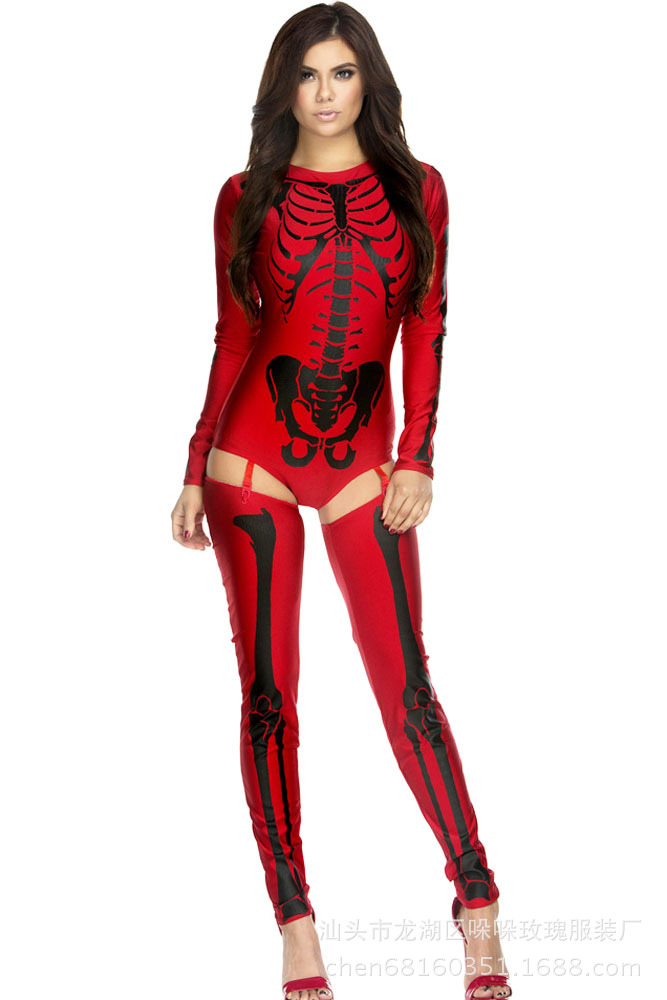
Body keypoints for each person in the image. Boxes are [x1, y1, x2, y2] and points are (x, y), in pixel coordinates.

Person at [171, 4, 512, 998]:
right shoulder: (245, 195)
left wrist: (417, 458)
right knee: (268, 696)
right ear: (284, 87)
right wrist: (194, 463)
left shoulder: (419, 189)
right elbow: (235, 336)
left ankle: (477, 897)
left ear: (369, 81)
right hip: (250, 461)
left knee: (407, 688)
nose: (324, 93)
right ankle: (295, 923)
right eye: (307, 74)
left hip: (367, 463)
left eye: (342, 72)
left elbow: (427, 325)